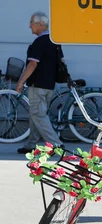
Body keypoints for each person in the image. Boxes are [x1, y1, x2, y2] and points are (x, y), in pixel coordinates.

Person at [16, 12, 63, 154]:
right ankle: (30, 144)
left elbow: (32, 64)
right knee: (35, 114)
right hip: (49, 85)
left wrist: (21, 82)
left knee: (38, 115)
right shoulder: (54, 41)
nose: (29, 26)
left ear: (40, 24)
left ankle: (56, 144)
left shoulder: (39, 42)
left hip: (37, 85)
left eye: (32, 22)